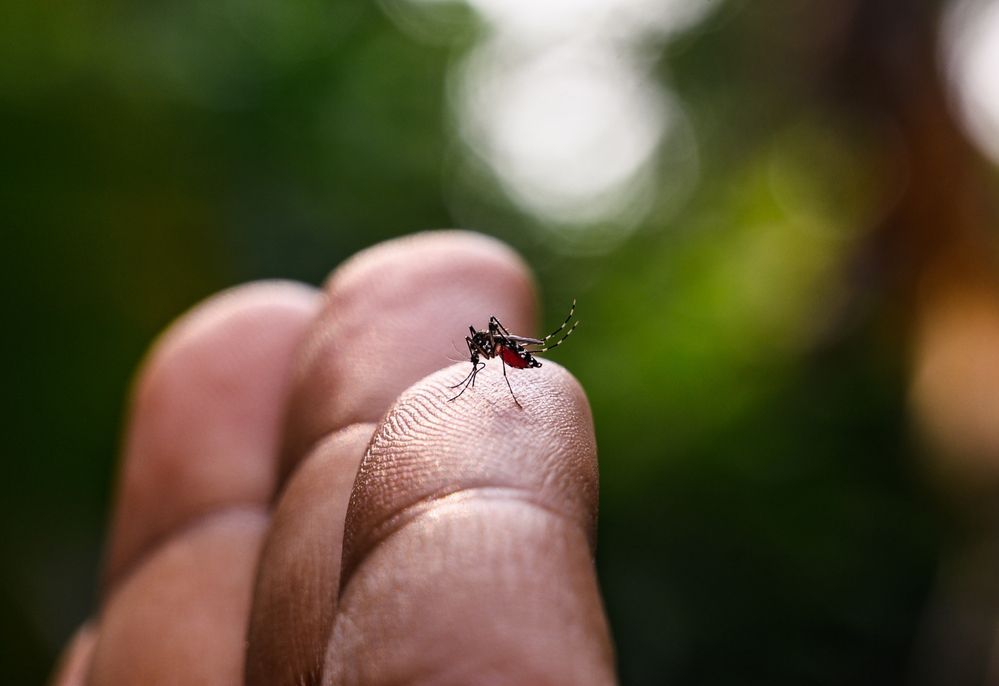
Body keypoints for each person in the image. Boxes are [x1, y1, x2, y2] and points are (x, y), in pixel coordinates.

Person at [51, 231, 617, 685]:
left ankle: (541, 350)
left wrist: (499, 365)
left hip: (514, 375)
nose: (479, 349)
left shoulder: (494, 353)